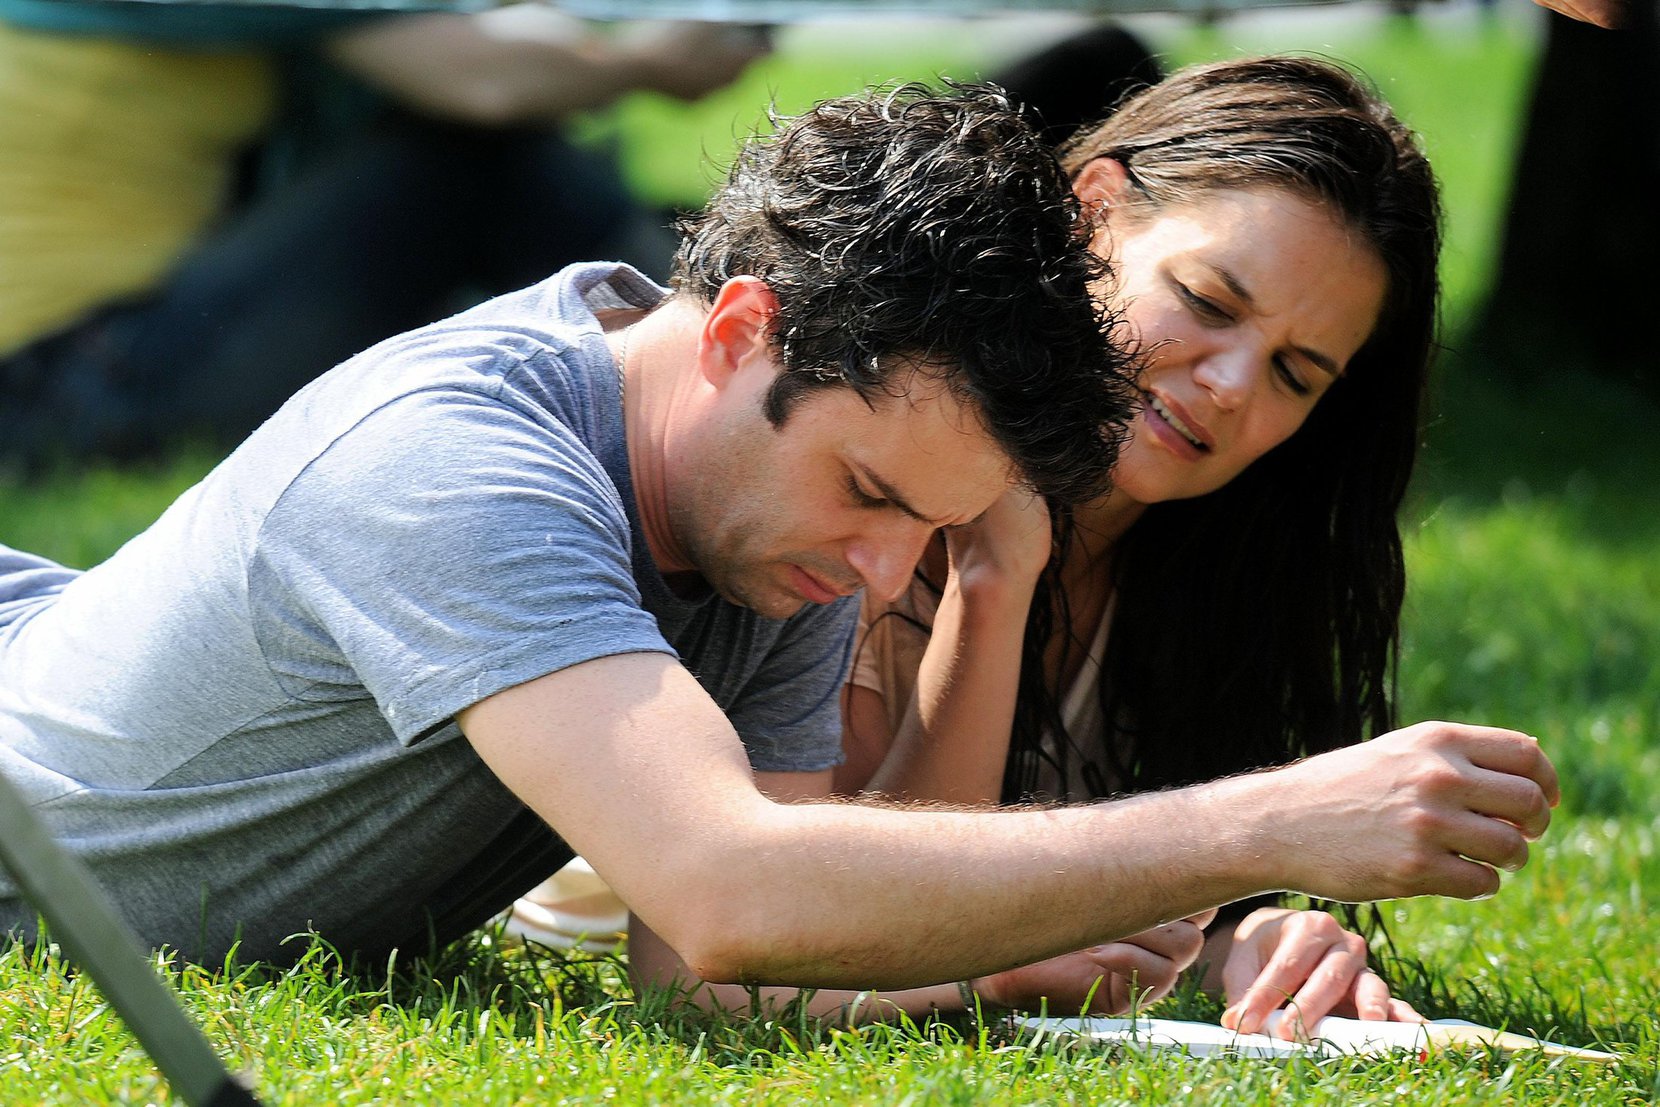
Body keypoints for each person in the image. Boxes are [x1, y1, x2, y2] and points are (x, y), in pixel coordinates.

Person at [0, 83, 1556, 1001]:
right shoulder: (461, 463)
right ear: (743, 328)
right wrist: (1267, 824)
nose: (889, 575)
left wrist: (983, 576)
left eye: (928, 527)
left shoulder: (775, 518)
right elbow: (733, 885)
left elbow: (727, 977)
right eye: (881, 501)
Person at [622, 56, 1464, 1036]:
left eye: (1296, 373)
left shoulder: (1216, 567)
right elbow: (831, 924)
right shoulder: (846, 509)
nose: (1232, 383)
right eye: (1207, 301)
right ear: (1092, 211)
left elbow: (1116, 882)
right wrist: (991, 583)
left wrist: (1237, 937)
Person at [0, 1, 765, 470]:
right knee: (462, 153)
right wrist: (643, 62)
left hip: (109, 354)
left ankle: (714, 337)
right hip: (63, 386)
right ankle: (724, 353)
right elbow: (481, 79)